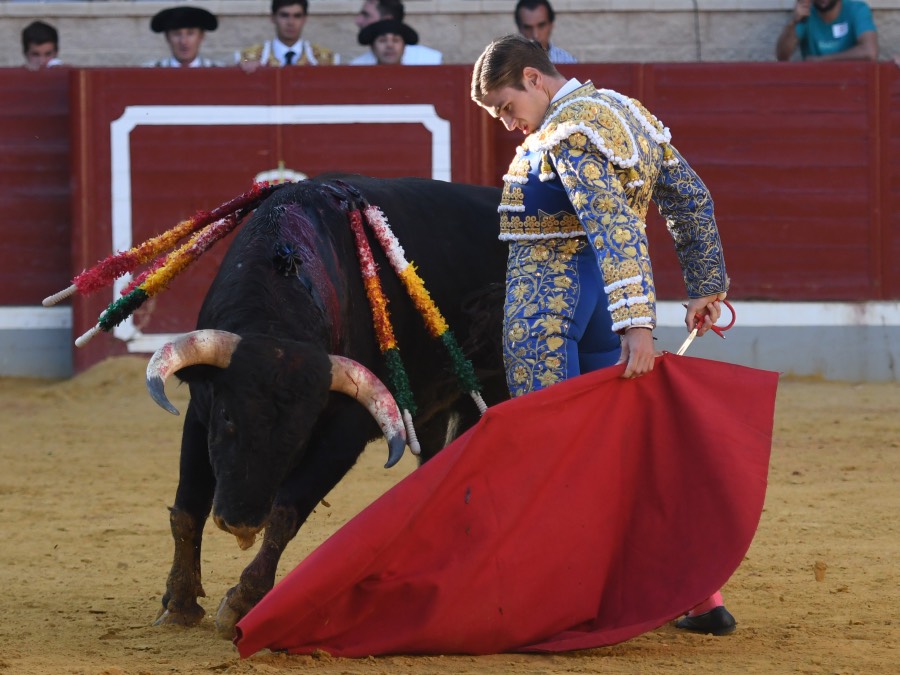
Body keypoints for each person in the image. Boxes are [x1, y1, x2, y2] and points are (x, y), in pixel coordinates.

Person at [471, 34, 734, 635]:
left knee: (550, 451)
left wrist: (638, 326)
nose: (509, 124)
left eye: (508, 107)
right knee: (624, 450)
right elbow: (690, 197)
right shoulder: (626, 112)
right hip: (596, 305)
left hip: (552, 306)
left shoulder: (568, 132)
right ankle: (699, 595)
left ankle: (562, 599)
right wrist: (705, 284)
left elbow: (615, 226)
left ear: (534, 79)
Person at [238, 0, 338, 72]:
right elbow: (242, 62)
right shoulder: (248, 56)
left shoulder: (326, 58)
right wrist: (244, 64)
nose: (291, 22)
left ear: (304, 19)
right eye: (284, 15)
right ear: (273, 18)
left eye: (297, 16)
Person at [776, 0, 878, 61]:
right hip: (816, 85)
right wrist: (793, 22)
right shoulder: (806, 12)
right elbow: (782, 56)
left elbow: (869, 52)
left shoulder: (857, 9)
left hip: (851, 83)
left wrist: (821, 61)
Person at [351, 0, 442, 65]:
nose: (358, 21)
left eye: (366, 15)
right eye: (382, 40)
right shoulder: (357, 64)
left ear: (388, 20)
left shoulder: (429, 61)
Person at [147, 6, 223, 68]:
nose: (183, 41)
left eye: (190, 34)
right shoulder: (151, 72)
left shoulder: (218, 72)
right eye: (176, 34)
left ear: (201, 36)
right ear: (167, 37)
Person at [514, 0, 576, 64]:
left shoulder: (568, 62)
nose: (535, 35)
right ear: (519, 28)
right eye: (528, 28)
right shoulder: (509, 64)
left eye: (541, 26)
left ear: (551, 25)